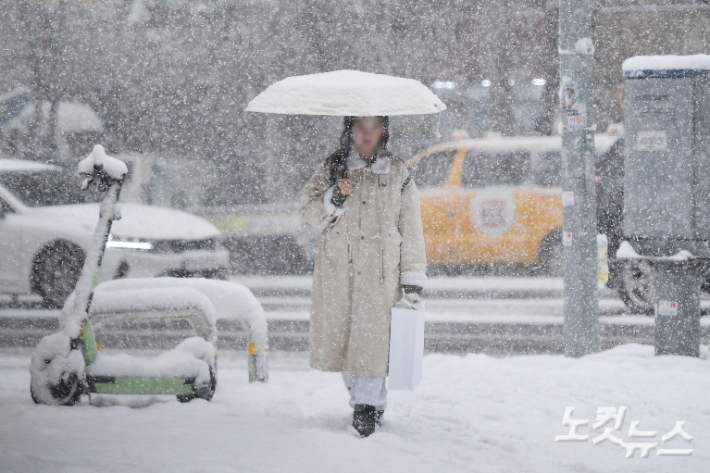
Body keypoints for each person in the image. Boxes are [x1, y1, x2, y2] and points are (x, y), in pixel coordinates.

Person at [299, 116, 427, 437]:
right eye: (360, 127)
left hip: (380, 272)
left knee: (371, 340)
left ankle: (366, 406)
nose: (367, 134)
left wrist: (412, 280)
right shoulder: (333, 166)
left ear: (384, 130)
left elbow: (411, 229)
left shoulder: (397, 172)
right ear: (350, 130)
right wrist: (336, 195)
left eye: (374, 127)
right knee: (344, 341)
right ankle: (367, 398)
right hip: (338, 269)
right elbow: (309, 213)